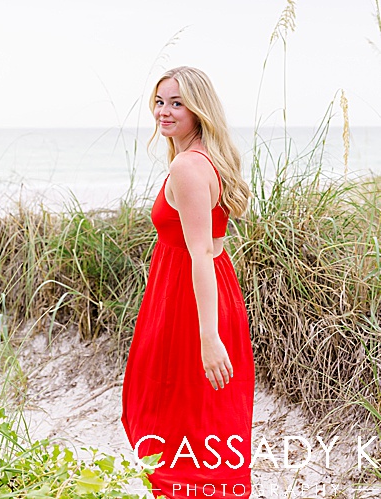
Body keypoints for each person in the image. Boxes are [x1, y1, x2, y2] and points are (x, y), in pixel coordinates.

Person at [121, 67, 254, 499]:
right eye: (160, 101)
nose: (164, 111)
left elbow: (200, 253)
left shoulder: (187, 166)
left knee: (177, 414)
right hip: (201, 290)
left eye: (177, 103)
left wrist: (208, 337)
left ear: (199, 109)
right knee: (194, 416)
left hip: (190, 300)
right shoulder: (203, 158)